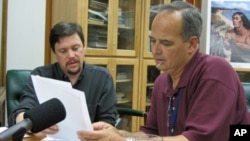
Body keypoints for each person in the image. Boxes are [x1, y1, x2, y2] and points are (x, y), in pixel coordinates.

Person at [77, 1, 250, 141]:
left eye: (165, 43)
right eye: (153, 41)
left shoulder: (215, 72)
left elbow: (195, 139)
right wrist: (116, 134)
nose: (155, 50)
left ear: (192, 44)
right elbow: (149, 134)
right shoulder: (162, 82)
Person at [8, 22, 117, 135]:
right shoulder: (40, 76)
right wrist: (30, 123)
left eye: (75, 48)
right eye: (63, 51)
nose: (71, 55)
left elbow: (108, 121)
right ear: (55, 53)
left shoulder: (102, 78)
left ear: (84, 48)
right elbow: (20, 113)